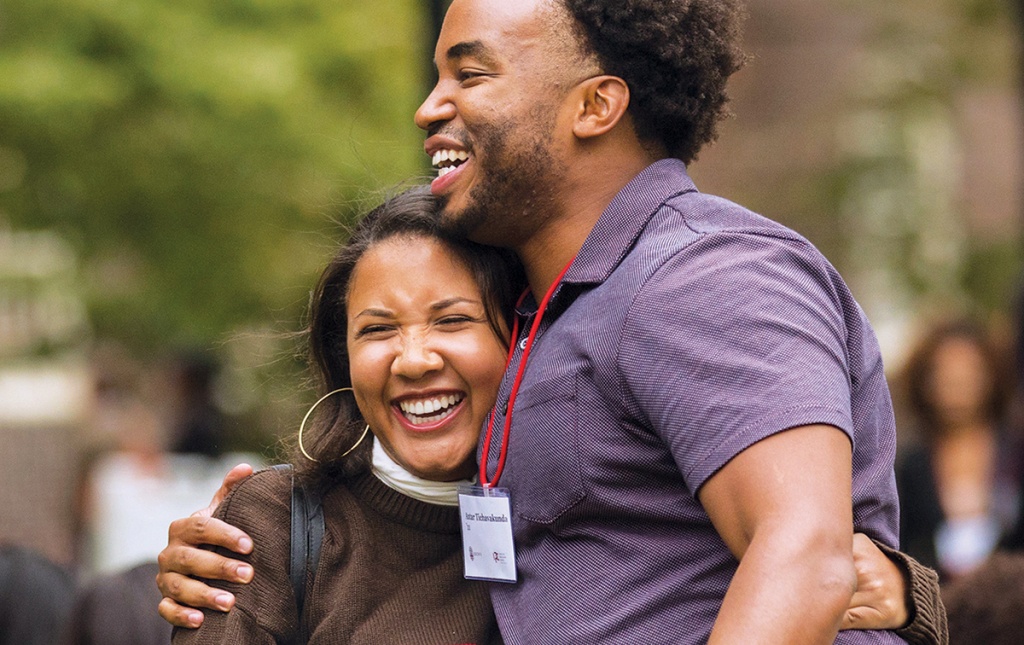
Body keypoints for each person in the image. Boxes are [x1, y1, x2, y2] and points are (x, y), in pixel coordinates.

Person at [158, 1, 948, 643]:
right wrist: (253, 542)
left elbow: (804, 559)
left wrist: (908, 596)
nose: (429, 106)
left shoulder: (705, 272)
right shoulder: (551, 307)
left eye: (470, 73)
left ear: (596, 104)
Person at [170, 187, 519, 643]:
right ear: (344, 359)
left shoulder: (587, 512)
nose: (413, 361)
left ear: (521, 334)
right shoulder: (271, 527)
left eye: (451, 320)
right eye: (377, 329)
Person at [897, 318, 1024, 580]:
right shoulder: (911, 465)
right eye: (944, 375)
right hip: (938, 608)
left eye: (968, 373)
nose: (956, 386)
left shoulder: (1016, 453)